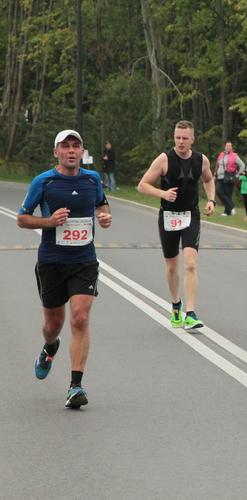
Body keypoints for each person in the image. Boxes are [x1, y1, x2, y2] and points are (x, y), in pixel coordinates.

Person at [17, 129, 112, 409]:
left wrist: (104, 216)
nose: (71, 150)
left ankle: (75, 386)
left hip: (84, 261)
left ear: (82, 151)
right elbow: (22, 219)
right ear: (56, 152)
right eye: (65, 146)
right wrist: (49, 222)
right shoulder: (44, 181)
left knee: (80, 318)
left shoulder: (92, 179)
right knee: (53, 325)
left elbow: (102, 203)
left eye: (76, 146)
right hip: (52, 262)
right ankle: (50, 346)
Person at [137, 120, 215, 330]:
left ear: (192, 139)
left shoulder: (201, 160)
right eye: (177, 137)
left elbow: (208, 180)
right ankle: (175, 305)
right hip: (168, 216)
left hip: (191, 216)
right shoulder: (164, 159)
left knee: (190, 263)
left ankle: (190, 313)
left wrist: (211, 200)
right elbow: (142, 185)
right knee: (172, 266)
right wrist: (163, 193)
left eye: (184, 138)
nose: (180, 142)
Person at [213, 141, 244, 216]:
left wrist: (238, 175)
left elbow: (242, 165)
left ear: (231, 147)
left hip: (229, 177)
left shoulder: (234, 156)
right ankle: (231, 206)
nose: (228, 147)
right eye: (227, 146)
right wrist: (215, 174)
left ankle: (227, 212)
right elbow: (217, 165)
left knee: (228, 195)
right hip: (219, 177)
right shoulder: (221, 154)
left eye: (229, 146)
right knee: (219, 192)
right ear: (225, 147)